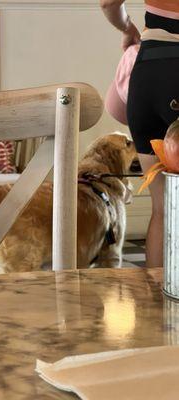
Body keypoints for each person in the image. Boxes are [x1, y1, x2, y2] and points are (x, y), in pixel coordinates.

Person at [101, 0, 179, 268]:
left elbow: (108, 2)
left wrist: (126, 28)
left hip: (149, 72)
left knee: (162, 209)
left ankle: (158, 304)